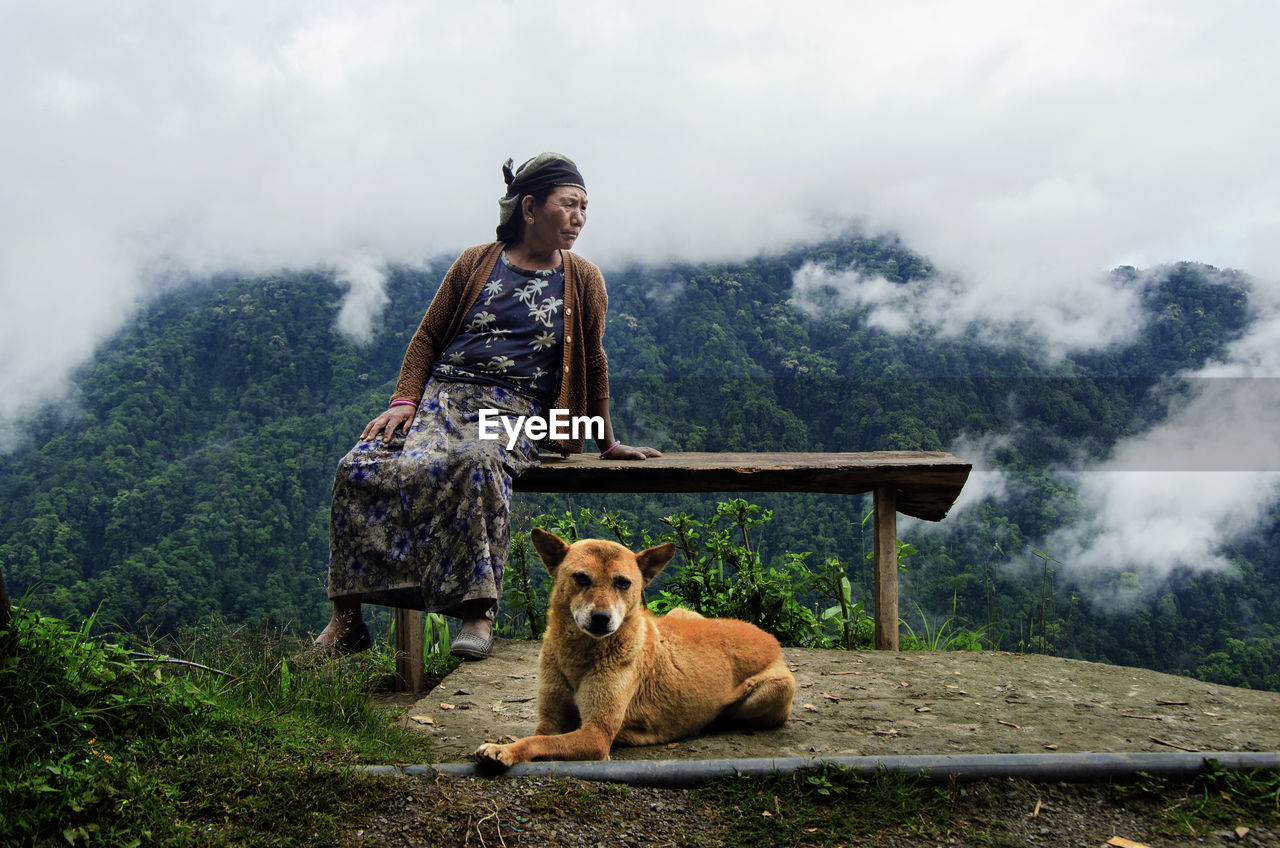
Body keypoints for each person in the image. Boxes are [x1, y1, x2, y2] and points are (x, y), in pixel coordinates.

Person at [310, 153, 659, 661]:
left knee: (478, 461)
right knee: (359, 466)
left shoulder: (584, 279)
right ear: (531, 207)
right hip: (441, 402)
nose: (580, 217)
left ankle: (478, 611)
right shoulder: (476, 262)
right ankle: (347, 620)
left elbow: (593, 360)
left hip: (521, 411)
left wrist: (606, 440)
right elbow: (429, 337)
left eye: (585, 207)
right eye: (570, 205)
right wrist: (405, 400)